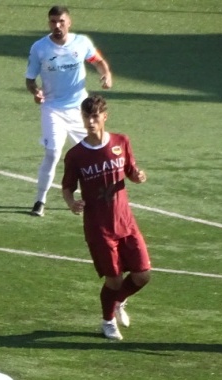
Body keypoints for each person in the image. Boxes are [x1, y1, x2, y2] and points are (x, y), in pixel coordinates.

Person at [62, 94, 151, 341]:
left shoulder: (121, 142)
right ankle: (108, 321)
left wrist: (138, 176)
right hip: (99, 227)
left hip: (126, 222)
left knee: (142, 275)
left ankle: (119, 301)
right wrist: (71, 203)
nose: (90, 122)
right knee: (114, 279)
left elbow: (131, 171)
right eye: (86, 117)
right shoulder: (76, 155)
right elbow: (67, 187)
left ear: (104, 117)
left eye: (94, 116)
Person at [25, 5, 113, 217]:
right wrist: (36, 92)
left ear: (69, 22)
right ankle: (40, 200)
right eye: (53, 21)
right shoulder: (39, 48)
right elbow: (30, 79)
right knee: (53, 152)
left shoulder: (81, 43)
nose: (57, 26)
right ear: (49, 23)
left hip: (80, 110)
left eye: (61, 21)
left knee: (94, 152)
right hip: (53, 108)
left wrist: (106, 74)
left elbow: (98, 61)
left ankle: (100, 197)